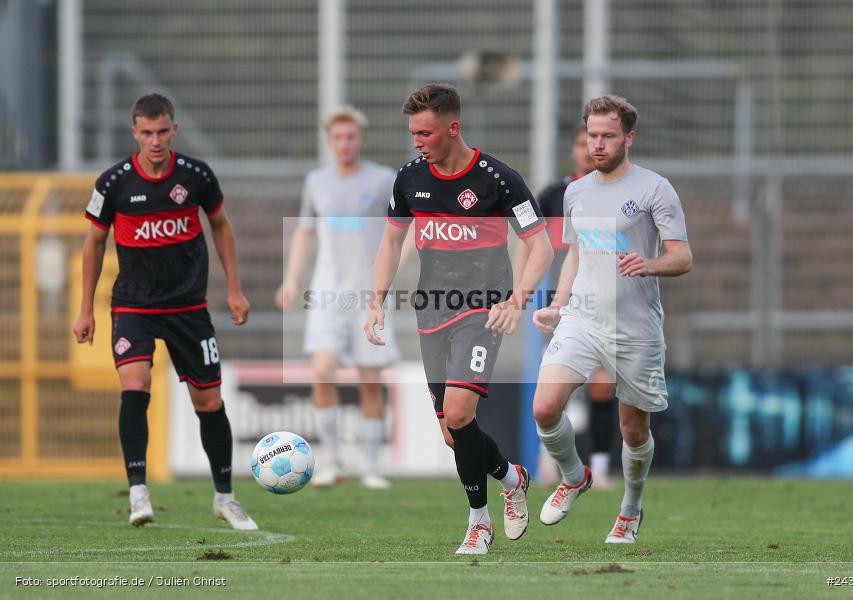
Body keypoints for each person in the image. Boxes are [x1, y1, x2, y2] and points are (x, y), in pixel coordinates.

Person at [364, 84, 553, 555]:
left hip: (482, 312)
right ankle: (512, 479)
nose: (417, 141)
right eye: (412, 133)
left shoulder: (498, 179)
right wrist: (376, 301)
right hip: (432, 312)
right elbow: (390, 243)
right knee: (453, 435)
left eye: (424, 132)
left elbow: (541, 245)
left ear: (453, 128)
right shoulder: (409, 179)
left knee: (459, 412)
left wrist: (516, 300)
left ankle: (478, 523)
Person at [73, 93, 257, 531]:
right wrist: (86, 309)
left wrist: (234, 288)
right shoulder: (112, 182)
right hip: (134, 304)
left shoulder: (196, 176)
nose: (155, 140)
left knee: (209, 402)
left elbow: (220, 226)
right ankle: (138, 491)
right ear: (135, 133)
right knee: (134, 386)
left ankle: (225, 497)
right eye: (147, 133)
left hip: (188, 306)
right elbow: (94, 243)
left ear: (173, 130)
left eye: (162, 131)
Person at [531, 95, 692, 544]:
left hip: (635, 326)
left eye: (607, 136)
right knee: (544, 407)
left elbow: (683, 257)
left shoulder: (655, 189)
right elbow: (576, 253)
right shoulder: (576, 192)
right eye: (592, 136)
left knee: (633, 429)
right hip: (582, 319)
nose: (598, 144)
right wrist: (559, 303)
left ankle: (630, 507)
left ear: (629, 138)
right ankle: (573, 475)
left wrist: (650, 263)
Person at [276, 107, 399, 490]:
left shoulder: (384, 180)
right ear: (329, 141)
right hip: (328, 292)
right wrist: (291, 280)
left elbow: (401, 232)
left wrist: (389, 275)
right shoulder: (317, 181)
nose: (344, 144)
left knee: (369, 379)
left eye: (350, 137)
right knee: (322, 372)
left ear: (360, 139)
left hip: (369, 296)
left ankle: (370, 466)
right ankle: (330, 460)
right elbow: (305, 233)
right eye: (337, 138)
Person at [515, 125, 617, 490]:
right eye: (581, 143)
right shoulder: (554, 195)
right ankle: (549, 461)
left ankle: (601, 467)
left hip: (607, 303)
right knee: (559, 385)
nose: (589, 150)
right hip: (561, 302)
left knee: (603, 387)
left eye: (594, 142)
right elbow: (529, 243)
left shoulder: (619, 194)